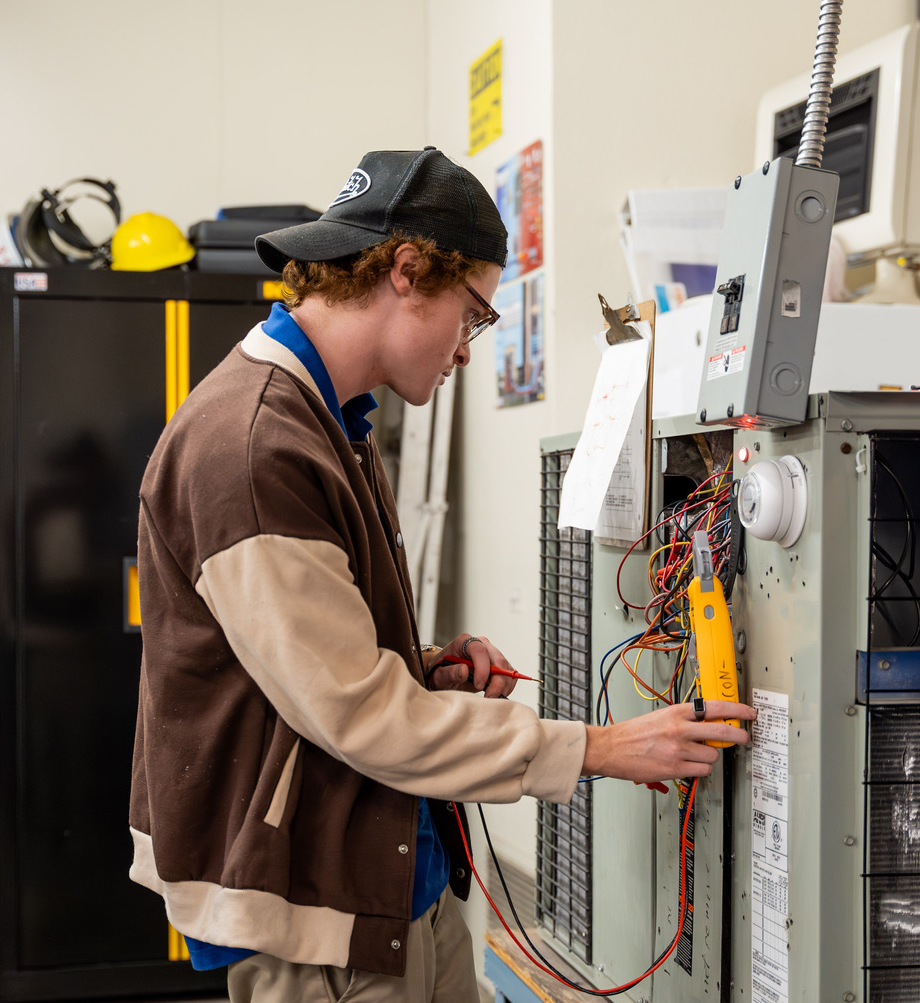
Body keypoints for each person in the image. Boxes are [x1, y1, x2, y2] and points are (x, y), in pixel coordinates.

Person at [128, 147, 755, 1002]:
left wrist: (426, 668)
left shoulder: (332, 420)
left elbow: (304, 660)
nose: (467, 349)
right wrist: (601, 748)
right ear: (406, 270)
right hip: (318, 911)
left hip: (394, 875)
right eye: (473, 315)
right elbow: (358, 711)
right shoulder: (252, 446)